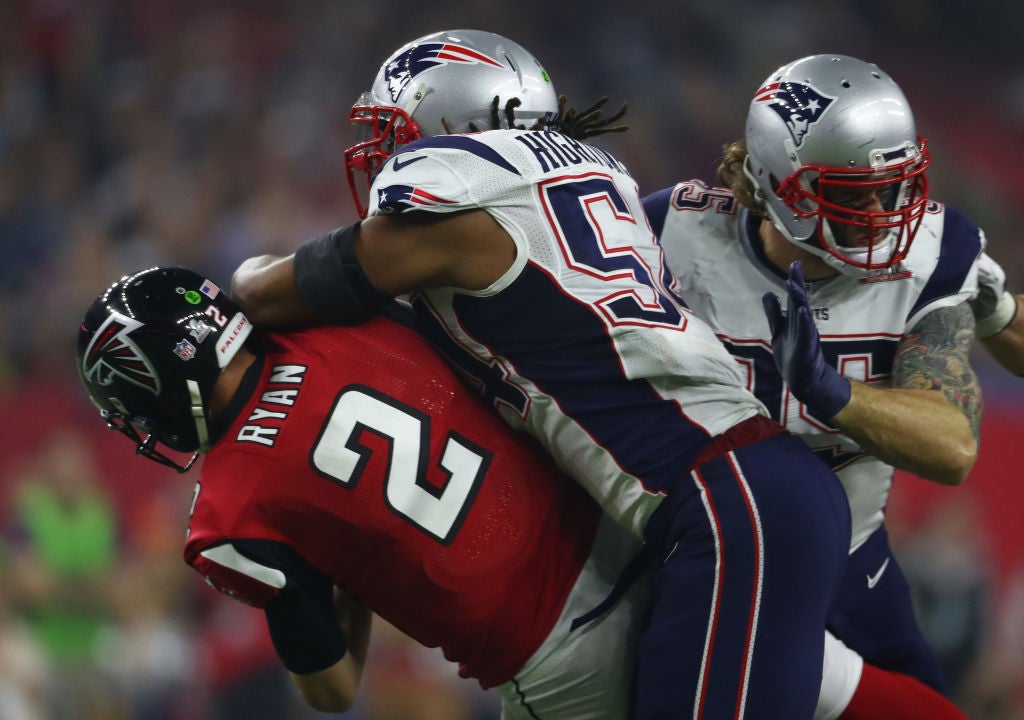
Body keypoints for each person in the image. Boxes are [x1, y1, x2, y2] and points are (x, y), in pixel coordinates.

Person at [230, 29, 856, 718]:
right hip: (741, 496)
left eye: (396, 133)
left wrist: (242, 271)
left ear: (455, 130)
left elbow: (264, 294)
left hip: (728, 499)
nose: (385, 155)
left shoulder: (453, 229)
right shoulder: (581, 183)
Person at [74, 266, 650, 719]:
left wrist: (345, 553)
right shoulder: (329, 317)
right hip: (628, 523)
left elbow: (332, 690)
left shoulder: (229, 515)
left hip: (558, 653)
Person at [642, 54, 985, 714]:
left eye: (894, 186)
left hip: (848, 564)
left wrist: (834, 393)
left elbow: (953, 446)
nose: (885, 214)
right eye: (854, 191)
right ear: (779, 185)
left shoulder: (934, 253)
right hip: (696, 551)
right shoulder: (666, 235)